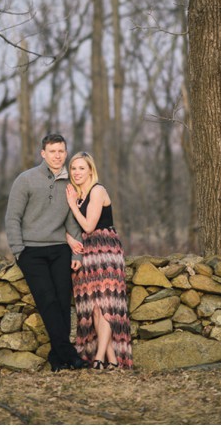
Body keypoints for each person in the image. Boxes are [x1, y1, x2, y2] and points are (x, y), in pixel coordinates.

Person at [5, 133, 87, 372]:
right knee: (47, 301)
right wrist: (18, 251)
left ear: (66, 152)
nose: (57, 156)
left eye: (61, 151)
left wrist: (77, 255)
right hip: (31, 251)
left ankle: (56, 358)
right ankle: (69, 354)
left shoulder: (70, 183)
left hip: (60, 251)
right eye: (52, 151)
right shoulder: (26, 179)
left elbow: (73, 223)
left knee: (62, 302)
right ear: (43, 153)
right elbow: (12, 218)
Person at [64, 152, 133, 369]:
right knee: (94, 307)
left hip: (105, 251)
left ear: (91, 170)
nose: (76, 172)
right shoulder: (76, 194)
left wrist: (72, 204)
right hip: (86, 253)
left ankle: (99, 358)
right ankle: (112, 361)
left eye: (81, 168)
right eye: (73, 168)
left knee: (106, 305)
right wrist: (68, 239)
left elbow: (89, 226)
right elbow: (67, 227)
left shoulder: (98, 190)